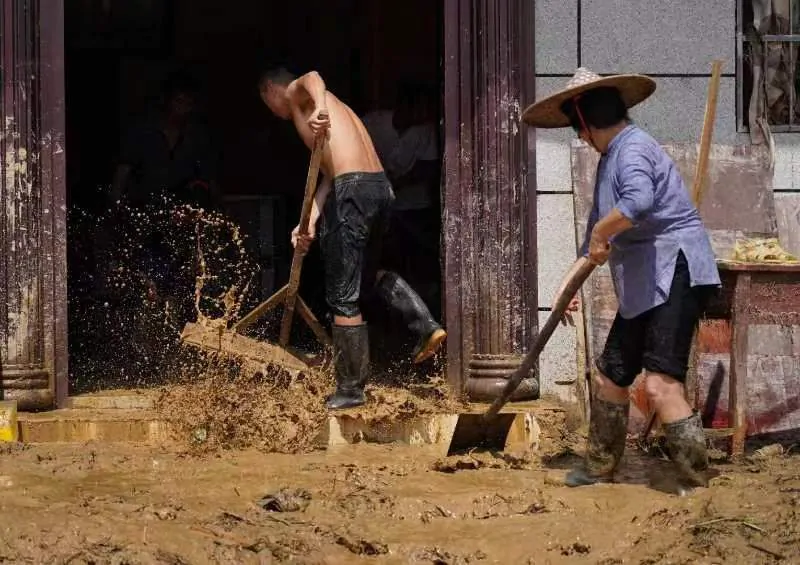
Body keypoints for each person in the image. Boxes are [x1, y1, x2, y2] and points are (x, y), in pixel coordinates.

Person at [521, 68, 721, 495]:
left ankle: (696, 481)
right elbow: (595, 236)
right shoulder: (611, 159)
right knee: (611, 376)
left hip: (676, 267)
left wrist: (599, 236)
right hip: (645, 280)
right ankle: (599, 465)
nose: (580, 139)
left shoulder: (633, 150)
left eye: (578, 131)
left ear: (587, 124)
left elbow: (637, 204)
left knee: (659, 383)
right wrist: (565, 291)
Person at [258, 66, 447, 410]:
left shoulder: (297, 94)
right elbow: (331, 173)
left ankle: (350, 390)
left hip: (355, 189)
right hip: (378, 188)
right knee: (364, 278)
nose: (274, 112)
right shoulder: (340, 113)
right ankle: (425, 325)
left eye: (267, 103)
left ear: (270, 91)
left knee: (343, 296)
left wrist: (318, 107)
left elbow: (312, 76)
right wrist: (310, 219)